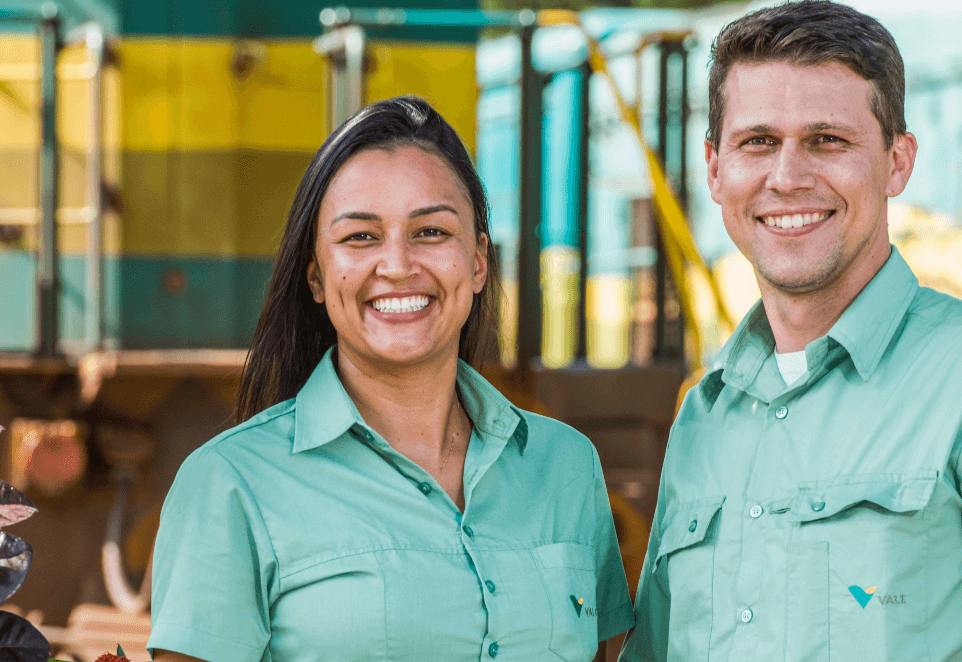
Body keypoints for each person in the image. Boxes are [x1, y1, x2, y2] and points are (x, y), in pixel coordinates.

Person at [146, 96, 633, 662]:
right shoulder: (229, 483)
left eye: (430, 232)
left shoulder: (566, 467)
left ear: (478, 262)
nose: (398, 264)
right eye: (360, 237)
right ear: (318, 277)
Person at [621, 2, 962, 660]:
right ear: (714, 169)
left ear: (896, 162)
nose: (786, 177)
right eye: (757, 142)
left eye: (826, 140)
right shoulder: (704, 414)